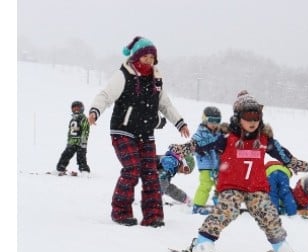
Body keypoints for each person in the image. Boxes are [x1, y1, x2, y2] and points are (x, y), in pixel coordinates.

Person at [185, 91, 308, 252]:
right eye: (247, 116)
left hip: (256, 186)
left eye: (256, 116)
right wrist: (187, 148)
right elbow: (204, 144)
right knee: (227, 209)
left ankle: (280, 245)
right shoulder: (227, 136)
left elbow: (281, 153)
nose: (252, 122)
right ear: (238, 116)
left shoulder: (264, 138)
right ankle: (202, 242)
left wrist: (293, 162)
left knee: (268, 213)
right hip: (232, 184)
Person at [87, 36, 190, 227]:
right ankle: (120, 212)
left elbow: (165, 104)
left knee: (151, 174)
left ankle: (153, 217)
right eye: (145, 56)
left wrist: (180, 123)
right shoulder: (124, 75)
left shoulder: (156, 79)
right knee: (132, 168)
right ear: (136, 57)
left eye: (152, 57)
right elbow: (106, 95)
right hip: (122, 130)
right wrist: (95, 111)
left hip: (146, 133)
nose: (149, 60)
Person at [191, 106, 223, 215]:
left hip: (217, 165)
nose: (214, 124)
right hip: (205, 165)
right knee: (206, 185)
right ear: (205, 120)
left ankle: (220, 204)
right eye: (211, 121)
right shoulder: (200, 133)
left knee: (220, 184)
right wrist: (201, 148)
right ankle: (197, 205)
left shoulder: (219, 133)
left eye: (217, 121)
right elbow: (194, 146)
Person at [55, 101, 91, 176]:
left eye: (78, 108)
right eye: (74, 109)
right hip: (72, 142)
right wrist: (69, 141)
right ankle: (60, 168)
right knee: (65, 155)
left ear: (82, 109)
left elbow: (85, 130)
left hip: (80, 142)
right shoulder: (73, 119)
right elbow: (70, 131)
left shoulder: (83, 118)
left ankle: (85, 171)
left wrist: (83, 142)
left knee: (81, 157)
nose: (76, 110)